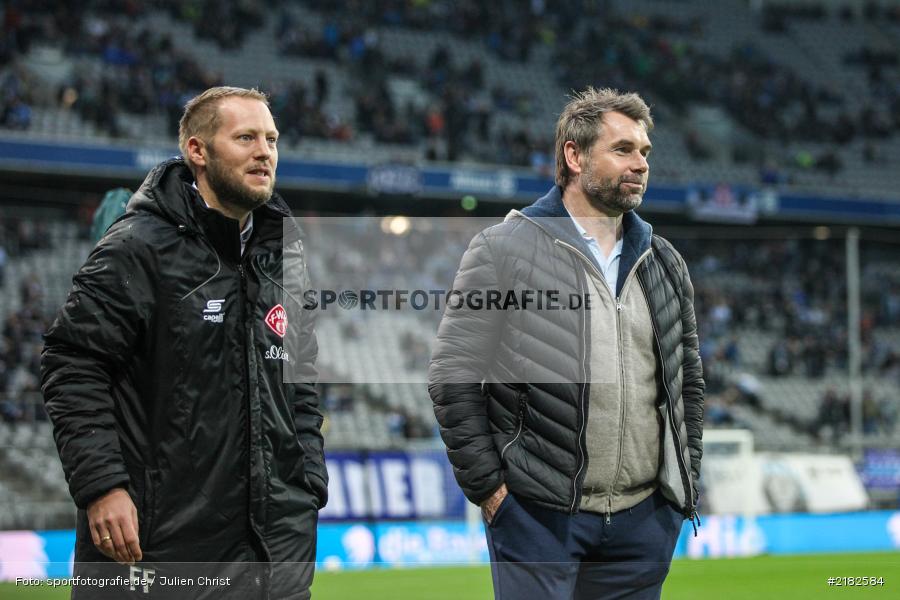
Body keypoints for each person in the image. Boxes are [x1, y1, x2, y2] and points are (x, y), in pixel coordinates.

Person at [41, 86, 327, 600]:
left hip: (274, 553)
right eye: (245, 137)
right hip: (161, 551)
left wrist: (306, 480)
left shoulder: (284, 254)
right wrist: (103, 486)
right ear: (198, 152)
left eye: (271, 139)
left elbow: (300, 381)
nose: (265, 152)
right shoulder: (136, 247)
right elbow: (73, 366)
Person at [428, 87, 704, 600]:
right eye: (622, 149)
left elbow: (688, 381)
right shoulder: (504, 248)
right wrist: (492, 493)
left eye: (644, 151)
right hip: (538, 517)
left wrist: (679, 488)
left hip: (644, 523)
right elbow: (453, 376)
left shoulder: (664, 262)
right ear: (574, 156)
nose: (640, 163)